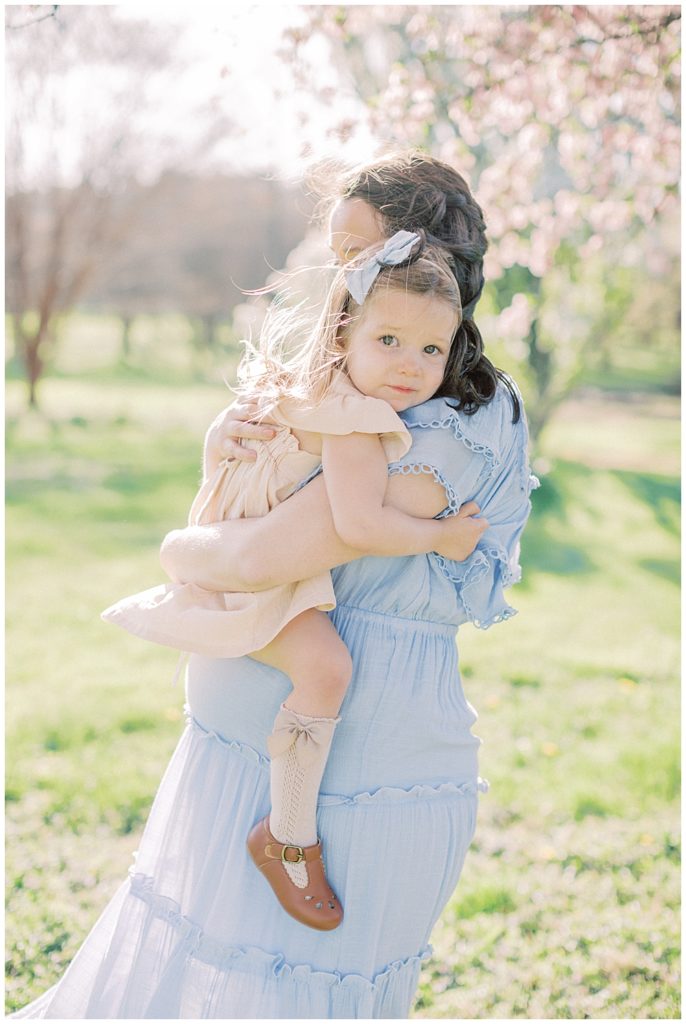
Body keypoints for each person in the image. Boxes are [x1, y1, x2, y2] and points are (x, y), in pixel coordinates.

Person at [12, 150, 537, 1020]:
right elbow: (256, 518)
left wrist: (183, 551)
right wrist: (223, 452)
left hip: (357, 778)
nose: (340, 277)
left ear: (428, 260)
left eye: (358, 256)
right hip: (241, 751)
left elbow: (259, 560)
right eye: (338, 259)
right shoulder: (350, 386)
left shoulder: (452, 415)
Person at [100, 231, 488, 932]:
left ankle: (286, 828)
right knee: (327, 669)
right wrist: (442, 536)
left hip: (230, 535)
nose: (410, 368)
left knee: (320, 667)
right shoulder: (355, 419)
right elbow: (361, 523)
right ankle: (287, 834)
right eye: (391, 341)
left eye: (432, 351)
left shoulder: (318, 386)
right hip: (253, 566)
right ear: (346, 332)